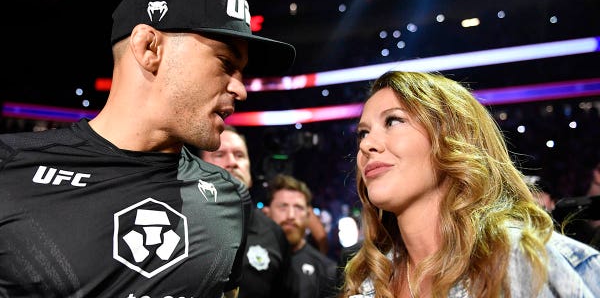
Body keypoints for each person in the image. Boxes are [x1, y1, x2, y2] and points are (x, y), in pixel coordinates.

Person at [0, 0, 295, 297]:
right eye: (226, 63)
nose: (241, 89)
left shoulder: (230, 197)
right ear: (149, 47)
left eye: (243, 72)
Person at [341, 71, 600, 297]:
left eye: (393, 121)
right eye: (363, 132)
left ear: (453, 138)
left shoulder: (526, 261)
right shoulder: (369, 283)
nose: (366, 144)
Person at [200, 125, 296, 298]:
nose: (232, 162)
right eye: (219, 155)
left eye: (239, 155)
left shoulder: (274, 234)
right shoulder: (183, 223)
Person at [264, 174, 338, 298]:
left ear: (308, 215)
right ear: (266, 213)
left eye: (298, 207)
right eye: (283, 206)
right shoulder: (247, 257)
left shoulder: (326, 270)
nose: (291, 215)